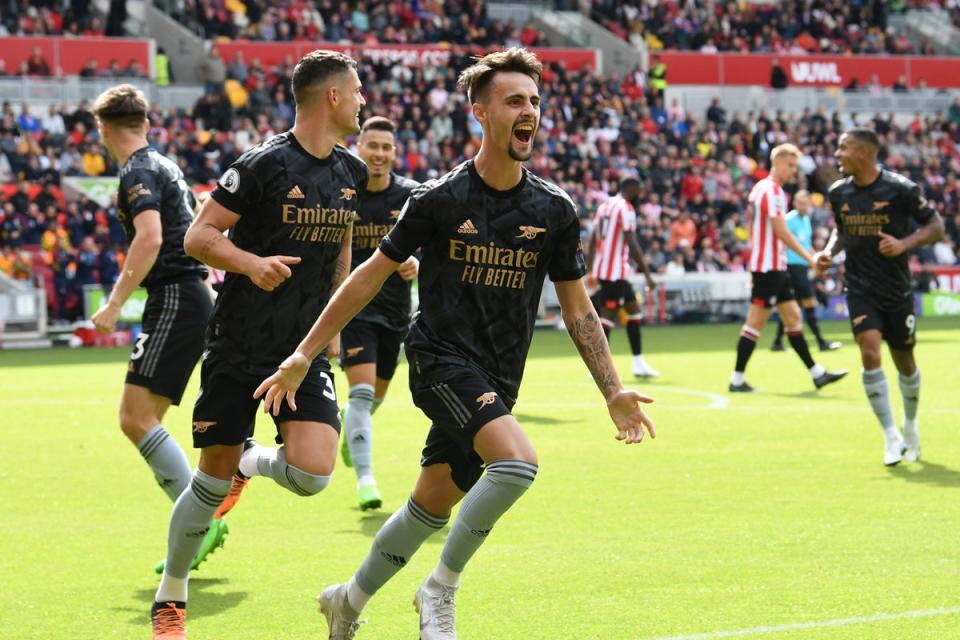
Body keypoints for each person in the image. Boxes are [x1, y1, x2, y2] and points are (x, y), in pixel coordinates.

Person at [254, 47, 656, 640]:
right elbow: (367, 276)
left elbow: (579, 311)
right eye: (514, 100)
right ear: (479, 112)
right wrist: (304, 352)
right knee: (517, 464)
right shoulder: (438, 201)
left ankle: (348, 599)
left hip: (499, 378)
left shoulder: (555, 209)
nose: (530, 112)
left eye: (535, 101)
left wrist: (613, 390)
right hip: (439, 361)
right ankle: (439, 589)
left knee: (429, 505)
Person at [148, 50, 368, 639]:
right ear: (331, 97)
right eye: (356, 91)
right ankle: (172, 595)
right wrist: (251, 264)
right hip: (239, 344)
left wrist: (332, 333)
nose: (363, 101)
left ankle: (255, 461)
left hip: (298, 350)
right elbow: (198, 235)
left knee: (316, 472)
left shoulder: (350, 173)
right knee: (210, 482)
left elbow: (342, 256)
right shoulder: (261, 165)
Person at [89, 84, 224, 577]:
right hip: (189, 295)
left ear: (102, 128)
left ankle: (200, 520)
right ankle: (200, 518)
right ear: (144, 122)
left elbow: (150, 237)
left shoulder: (137, 171)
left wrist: (115, 302)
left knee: (135, 417)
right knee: (146, 417)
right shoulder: (163, 163)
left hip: (175, 295)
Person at [815, 127, 944, 466]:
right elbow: (841, 230)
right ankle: (890, 435)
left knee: (905, 362)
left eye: (843, 148)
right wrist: (829, 251)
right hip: (859, 287)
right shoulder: (838, 192)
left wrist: (903, 244)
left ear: (864, 153)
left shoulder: (901, 189)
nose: (837, 154)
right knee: (870, 352)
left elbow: (936, 227)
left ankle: (910, 426)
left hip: (897, 289)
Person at [339, 116, 420, 510]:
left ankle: (350, 428)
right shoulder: (345, 191)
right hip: (354, 311)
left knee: (372, 401)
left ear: (394, 152)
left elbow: (429, 245)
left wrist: (416, 262)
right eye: (373, 145)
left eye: (387, 147)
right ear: (360, 147)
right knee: (361, 394)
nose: (380, 154)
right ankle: (365, 479)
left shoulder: (410, 195)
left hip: (395, 313)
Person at [729, 143, 847, 393]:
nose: (793, 171)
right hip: (768, 268)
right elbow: (781, 231)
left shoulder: (762, 189)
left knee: (793, 317)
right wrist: (810, 257)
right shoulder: (771, 191)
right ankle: (737, 379)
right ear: (778, 162)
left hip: (775, 266)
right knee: (754, 324)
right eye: (791, 165)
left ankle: (817, 374)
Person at [585, 177, 660, 377]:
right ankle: (597, 368)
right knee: (608, 318)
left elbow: (593, 239)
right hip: (614, 273)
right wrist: (647, 273)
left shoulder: (605, 205)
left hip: (610, 271)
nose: (639, 196)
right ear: (631, 189)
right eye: (638, 191)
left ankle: (638, 363)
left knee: (634, 313)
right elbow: (631, 242)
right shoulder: (626, 208)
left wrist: (591, 269)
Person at [769, 189, 842, 352]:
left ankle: (777, 342)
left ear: (810, 203)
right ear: (794, 203)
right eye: (798, 202)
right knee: (808, 301)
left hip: (802, 264)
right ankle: (821, 342)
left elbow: (805, 244)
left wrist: (815, 259)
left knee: (790, 304)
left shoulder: (806, 220)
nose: (801, 205)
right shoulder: (788, 220)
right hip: (791, 265)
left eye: (804, 203)